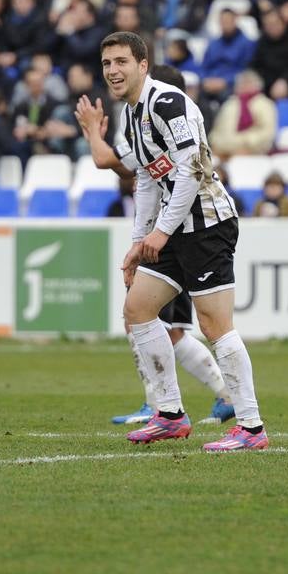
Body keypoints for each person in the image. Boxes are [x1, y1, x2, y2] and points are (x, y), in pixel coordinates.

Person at [101, 31, 265, 451]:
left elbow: (192, 169)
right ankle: (170, 414)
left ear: (143, 65)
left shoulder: (167, 101)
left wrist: (159, 232)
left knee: (214, 324)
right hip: (172, 228)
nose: (113, 71)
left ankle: (250, 427)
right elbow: (145, 177)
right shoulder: (131, 114)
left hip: (207, 223)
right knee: (138, 309)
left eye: (121, 62)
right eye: (107, 64)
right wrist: (139, 242)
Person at [74, 63, 235, 427]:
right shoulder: (145, 128)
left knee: (184, 326)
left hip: (186, 227)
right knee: (145, 317)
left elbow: (106, 159)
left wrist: (90, 131)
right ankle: (178, 406)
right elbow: (137, 171)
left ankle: (205, 400)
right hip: (168, 228)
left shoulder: (165, 117)